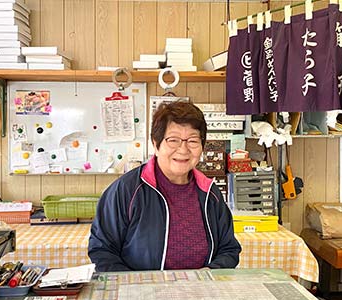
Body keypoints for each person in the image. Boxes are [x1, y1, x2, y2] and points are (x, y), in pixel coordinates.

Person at [88, 101, 241, 272]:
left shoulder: (209, 192)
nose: (183, 150)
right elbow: (102, 250)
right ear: (156, 144)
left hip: (200, 292)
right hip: (140, 294)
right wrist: (136, 286)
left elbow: (229, 249)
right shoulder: (127, 190)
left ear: (202, 147)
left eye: (192, 140)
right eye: (173, 140)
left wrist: (209, 272)